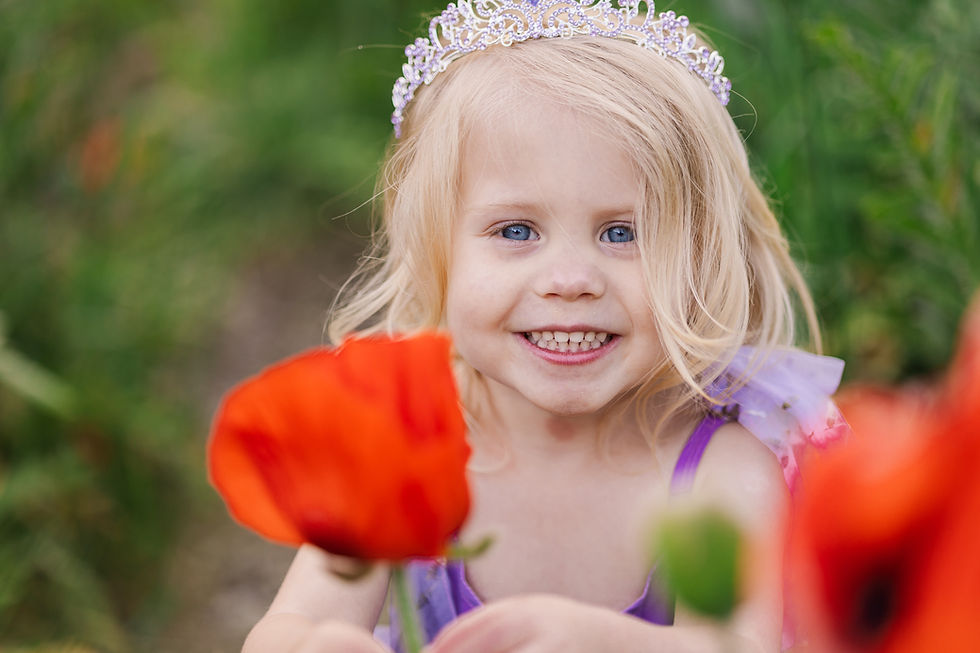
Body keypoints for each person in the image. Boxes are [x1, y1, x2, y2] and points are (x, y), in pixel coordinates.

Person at [243, 1, 847, 651]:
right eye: (516, 230)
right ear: (434, 244)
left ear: (700, 252)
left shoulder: (716, 472)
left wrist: (601, 642)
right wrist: (322, 644)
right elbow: (288, 625)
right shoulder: (397, 456)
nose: (570, 278)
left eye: (622, 232)